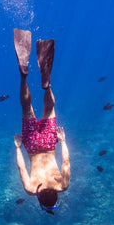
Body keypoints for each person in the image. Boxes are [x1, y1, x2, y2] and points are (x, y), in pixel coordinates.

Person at [13, 29, 70, 214]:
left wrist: (62, 140)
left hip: (48, 143)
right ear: (40, 199)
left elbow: (66, 162)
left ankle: (47, 86)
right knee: (26, 108)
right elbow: (21, 168)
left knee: (49, 108)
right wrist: (18, 147)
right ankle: (23, 76)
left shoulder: (62, 186)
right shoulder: (31, 189)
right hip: (30, 145)